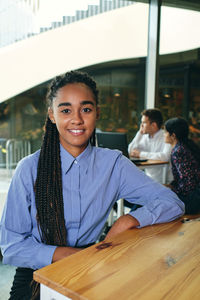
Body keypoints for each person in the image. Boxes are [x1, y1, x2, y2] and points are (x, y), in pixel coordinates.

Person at [0, 71, 184, 300]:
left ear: (97, 113)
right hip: (35, 275)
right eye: (66, 110)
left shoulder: (114, 164)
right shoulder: (28, 169)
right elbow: (11, 246)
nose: (77, 119)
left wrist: (131, 219)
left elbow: (173, 202)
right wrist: (69, 255)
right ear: (52, 115)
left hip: (89, 269)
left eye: (85, 109)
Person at [164, 117, 200, 214]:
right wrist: (171, 186)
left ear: (173, 135)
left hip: (191, 201)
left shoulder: (178, 151)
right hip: (195, 197)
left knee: (153, 198)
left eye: (166, 132)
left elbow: (188, 184)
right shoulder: (187, 146)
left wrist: (172, 190)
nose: (164, 135)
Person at [128, 108, 172, 183]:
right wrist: (139, 133)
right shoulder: (145, 137)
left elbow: (165, 157)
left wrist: (140, 154)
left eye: (144, 123)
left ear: (154, 125)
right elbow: (130, 150)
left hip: (164, 181)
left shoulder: (166, 137)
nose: (141, 126)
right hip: (148, 179)